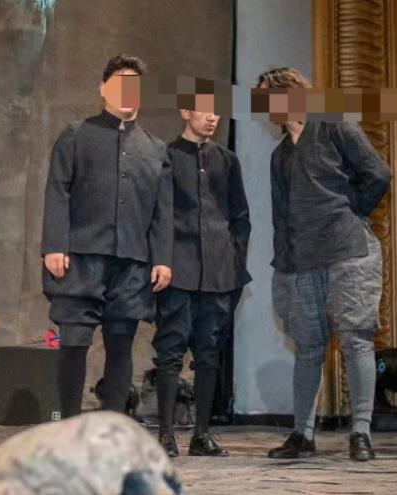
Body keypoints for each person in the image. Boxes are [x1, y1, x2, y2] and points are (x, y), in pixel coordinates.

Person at [257, 67, 391, 462]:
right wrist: (283, 267)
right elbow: (281, 217)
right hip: (301, 262)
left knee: (355, 338)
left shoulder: (334, 124)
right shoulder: (280, 156)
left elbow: (378, 174)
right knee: (308, 346)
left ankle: (361, 433)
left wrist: (351, 212)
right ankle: (302, 434)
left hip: (348, 251)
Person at [42, 54, 172, 419]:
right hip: (81, 257)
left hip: (132, 262)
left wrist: (162, 258)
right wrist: (54, 245)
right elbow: (58, 190)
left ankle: (112, 427)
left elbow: (162, 211)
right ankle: (69, 425)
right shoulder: (76, 135)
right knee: (73, 341)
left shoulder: (155, 148)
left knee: (120, 344)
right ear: (103, 89)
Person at [153, 99, 250, 457]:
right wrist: (161, 260)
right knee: (170, 351)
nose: (212, 118)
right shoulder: (166, 156)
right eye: (204, 110)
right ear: (185, 112)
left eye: (217, 112)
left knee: (210, 354)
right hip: (177, 271)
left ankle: (202, 434)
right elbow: (158, 215)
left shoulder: (227, 160)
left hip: (220, 273)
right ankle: (166, 434)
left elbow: (240, 216)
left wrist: (236, 261)